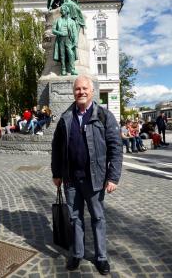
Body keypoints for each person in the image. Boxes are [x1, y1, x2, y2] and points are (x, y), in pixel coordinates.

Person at [51, 75, 123, 275]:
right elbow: (56, 147)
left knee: (98, 218)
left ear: (92, 91)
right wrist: (57, 173)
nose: (81, 92)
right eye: (77, 89)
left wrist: (113, 177)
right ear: (73, 92)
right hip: (71, 179)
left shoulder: (104, 116)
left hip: (95, 179)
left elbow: (116, 148)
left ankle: (101, 257)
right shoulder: (66, 117)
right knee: (75, 219)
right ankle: (77, 254)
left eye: (84, 89)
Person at [52, 4, 78, 76]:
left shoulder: (72, 22)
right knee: (62, 55)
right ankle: (63, 69)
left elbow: (75, 33)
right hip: (60, 39)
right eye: (62, 10)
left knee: (71, 54)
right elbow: (53, 30)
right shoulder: (58, 20)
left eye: (64, 10)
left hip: (69, 39)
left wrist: (75, 42)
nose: (62, 11)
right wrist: (60, 33)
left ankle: (72, 69)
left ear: (67, 11)